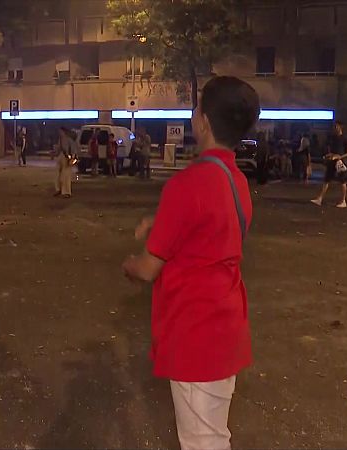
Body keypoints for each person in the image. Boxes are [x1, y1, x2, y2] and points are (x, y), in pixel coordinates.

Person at [122, 76, 258, 450]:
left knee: (204, 442)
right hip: (226, 326)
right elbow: (210, 231)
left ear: (203, 122)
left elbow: (149, 268)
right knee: (212, 434)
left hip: (196, 332)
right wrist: (161, 222)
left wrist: (130, 263)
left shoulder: (187, 186)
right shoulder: (236, 181)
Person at [311, 121, 347, 208]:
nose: (335, 128)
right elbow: (333, 150)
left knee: (342, 181)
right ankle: (320, 199)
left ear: (341, 127)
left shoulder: (345, 138)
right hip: (332, 161)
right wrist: (329, 155)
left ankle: (343, 201)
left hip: (341, 162)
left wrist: (340, 157)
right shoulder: (333, 138)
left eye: (337, 126)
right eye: (334, 127)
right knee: (326, 180)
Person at [54, 127, 77, 198]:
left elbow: (73, 150)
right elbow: (58, 149)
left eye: (60, 131)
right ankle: (59, 189)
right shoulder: (60, 140)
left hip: (66, 158)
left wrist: (72, 159)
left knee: (66, 175)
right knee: (57, 174)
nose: (59, 133)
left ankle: (66, 192)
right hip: (60, 157)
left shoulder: (69, 140)